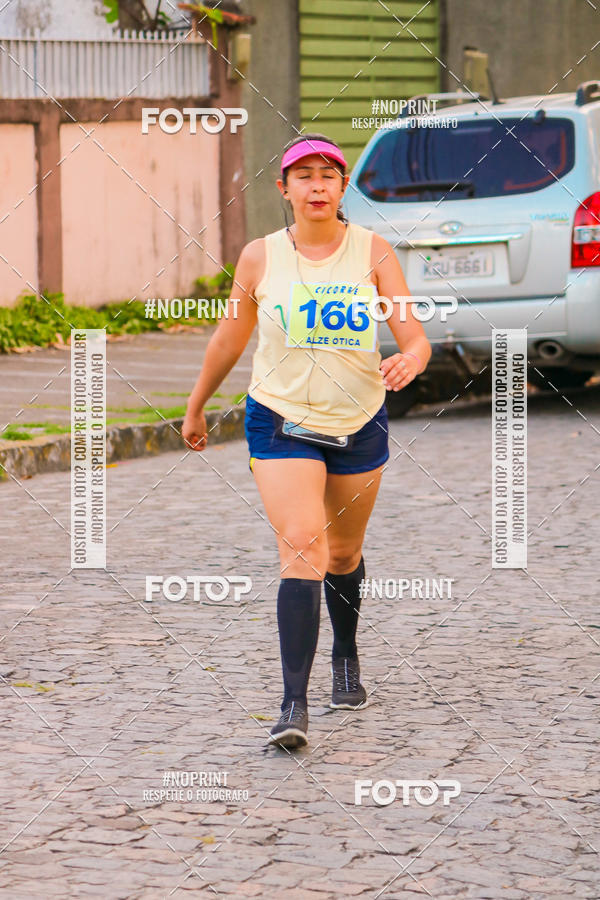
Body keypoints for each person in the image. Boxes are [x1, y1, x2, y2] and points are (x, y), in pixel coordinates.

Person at [182, 132, 431, 750]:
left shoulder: (373, 252)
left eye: (329, 175)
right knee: (301, 545)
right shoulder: (260, 256)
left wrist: (413, 360)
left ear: (343, 188)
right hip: (280, 416)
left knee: (343, 555)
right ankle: (293, 706)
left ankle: (345, 654)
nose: (317, 185)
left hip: (358, 421)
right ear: (285, 189)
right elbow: (229, 340)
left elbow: (413, 333)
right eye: (305, 176)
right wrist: (196, 405)